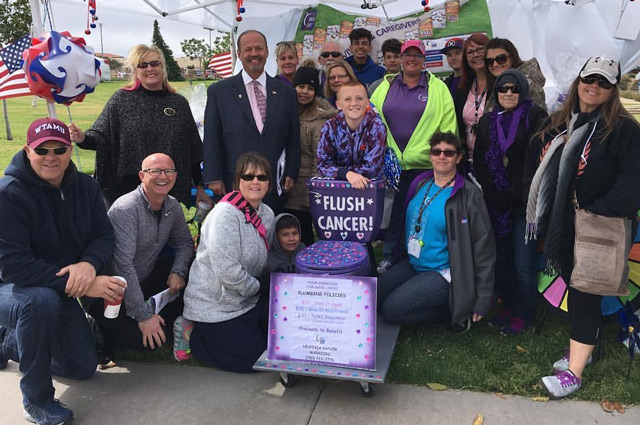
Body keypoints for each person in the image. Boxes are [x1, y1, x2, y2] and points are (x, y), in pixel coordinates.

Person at [524, 56, 640, 398]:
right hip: (565, 222)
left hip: (599, 225)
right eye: (589, 78)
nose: (594, 86)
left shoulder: (623, 129)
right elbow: (537, 153)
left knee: (586, 293)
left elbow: (631, 185)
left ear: (613, 89)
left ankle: (574, 373)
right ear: (578, 81)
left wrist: (592, 210)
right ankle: (582, 349)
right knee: (576, 288)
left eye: (604, 82)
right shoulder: (564, 122)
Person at [0, 118, 126, 424]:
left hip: (56, 288)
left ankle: (6, 341)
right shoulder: (8, 194)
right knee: (39, 302)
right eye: (42, 149)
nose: (51, 156)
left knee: (81, 368)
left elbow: (103, 236)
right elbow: (13, 266)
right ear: (27, 151)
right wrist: (83, 283)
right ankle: (38, 401)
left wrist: (88, 265)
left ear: (70, 150)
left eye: (59, 149)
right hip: (13, 288)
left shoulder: (86, 186)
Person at [377, 132, 495, 331]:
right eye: (436, 151)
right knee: (374, 297)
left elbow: (484, 247)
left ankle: (455, 311)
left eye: (449, 153)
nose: (442, 156)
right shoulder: (421, 184)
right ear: (430, 155)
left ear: (458, 157)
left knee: (392, 310)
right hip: (415, 262)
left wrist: (482, 299)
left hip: (444, 271)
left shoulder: (468, 195)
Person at [68, 44, 207, 207]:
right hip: (127, 189)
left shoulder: (178, 103)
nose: (150, 69)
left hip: (170, 188)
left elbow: (193, 148)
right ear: (135, 70)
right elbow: (102, 135)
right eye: (143, 65)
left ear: (163, 67)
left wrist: (199, 186)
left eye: (155, 63)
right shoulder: (122, 100)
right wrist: (83, 138)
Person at [86, 153, 194, 358]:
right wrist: (143, 317)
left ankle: (155, 318)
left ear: (175, 176)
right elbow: (122, 265)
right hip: (110, 293)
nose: (163, 176)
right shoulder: (126, 209)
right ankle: (96, 326)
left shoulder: (171, 205)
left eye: (168, 171)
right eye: (155, 171)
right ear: (142, 176)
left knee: (191, 269)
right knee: (147, 342)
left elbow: (184, 243)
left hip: (143, 280)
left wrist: (178, 271)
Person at [370, 39, 458, 274]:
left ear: (424, 60)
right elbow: (372, 118)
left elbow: (448, 126)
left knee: (421, 213)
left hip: (425, 164)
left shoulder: (438, 88)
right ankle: (390, 256)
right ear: (400, 59)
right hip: (390, 163)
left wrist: (443, 158)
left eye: (417, 55)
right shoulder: (386, 85)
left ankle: (420, 259)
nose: (411, 59)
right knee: (393, 212)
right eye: (407, 55)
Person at [182, 152, 275, 373]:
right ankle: (191, 334)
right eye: (248, 176)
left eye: (262, 178)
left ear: (269, 184)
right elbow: (227, 271)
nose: (255, 182)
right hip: (216, 305)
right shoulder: (225, 214)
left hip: (247, 299)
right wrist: (259, 287)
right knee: (251, 359)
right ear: (237, 181)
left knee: (278, 342)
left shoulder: (268, 214)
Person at [473, 69, 548, 334]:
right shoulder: (486, 121)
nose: (508, 93)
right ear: (496, 93)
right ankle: (508, 305)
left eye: (514, 89)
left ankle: (524, 313)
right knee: (502, 260)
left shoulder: (535, 117)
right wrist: (493, 193)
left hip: (524, 205)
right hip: (496, 204)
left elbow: (541, 160)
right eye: (502, 89)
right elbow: (480, 160)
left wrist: (517, 192)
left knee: (523, 264)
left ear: (522, 91)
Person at [203, 30, 301, 214]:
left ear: (266, 52)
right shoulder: (219, 91)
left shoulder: (286, 93)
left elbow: (293, 139)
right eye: (248, 49)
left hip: (273, 183)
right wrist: (213, 177)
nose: (254, 53)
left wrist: (291, 172)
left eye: (259, 48)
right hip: (234, 181)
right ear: (239, 54)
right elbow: (211, 138)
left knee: (269, 235)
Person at [285, 67, 336, 246]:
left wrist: (312, 193)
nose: (304, 92)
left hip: (305, 188)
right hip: (287, 184)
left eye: (310, 88)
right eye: (301, 86)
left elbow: (319, 159)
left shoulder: (319, 119)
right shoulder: (285, 110)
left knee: (304, 236)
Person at [317, 81, 386, 188]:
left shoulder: (376, 126)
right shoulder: (330, 126)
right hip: (335, 189)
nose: (354, 103)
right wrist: (346, 174)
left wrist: (350, 174)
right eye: (347, 99)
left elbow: (373, 166)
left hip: (368, 188)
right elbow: (322, 165)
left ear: (367, 102)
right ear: (339, 104)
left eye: (359, 98)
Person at [454, 33, 492, 159]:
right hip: (469, 162)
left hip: (495, 160)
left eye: (480, 49)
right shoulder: (462, 90)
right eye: (470, 52)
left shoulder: (501, 86)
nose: (475, 55)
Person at [484, 37, 547, 111]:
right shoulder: (497, 82)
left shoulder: (527, 84)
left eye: (501, 59)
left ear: (513, 57)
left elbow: (538, 117)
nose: (495, 64)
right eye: (490, 61)